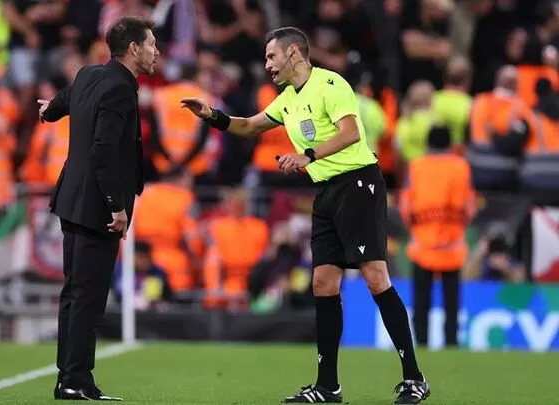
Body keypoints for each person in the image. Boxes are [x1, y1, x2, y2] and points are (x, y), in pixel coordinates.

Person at [181, 27, 429, 404]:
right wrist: (213, 116)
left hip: (358, 182)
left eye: (272, 56)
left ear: (293, 53)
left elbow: (350, 133)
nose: (268, 65)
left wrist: (307, 155)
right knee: (323, 284)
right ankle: (328, 386)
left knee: (375, 277)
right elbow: (249, 126)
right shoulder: (287, 99)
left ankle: (414, 378)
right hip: (326, 190)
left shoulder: (331, 84)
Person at [37, 16, 158, 401]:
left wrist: (48, 111)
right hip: (96, 209)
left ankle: (69, 378)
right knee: (87, 296)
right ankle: (76, 379)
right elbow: (103, 150)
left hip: (72, 200)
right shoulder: (121, 88)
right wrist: (116, 207)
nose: (156, 52)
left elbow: (65, 100)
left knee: (74, 293)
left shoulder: (90, 74)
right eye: (151, 44)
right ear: (134, 49)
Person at [399, 126, 475, 348]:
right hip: (452, 246)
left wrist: (416, 227)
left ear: (428, 143)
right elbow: (469, 206)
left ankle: (421, 343)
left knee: (421, 301)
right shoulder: (461, 167)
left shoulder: (416, 166)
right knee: (452, 302)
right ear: (450, 144)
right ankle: (451, 342)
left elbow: (406, 205)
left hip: (422, 245)